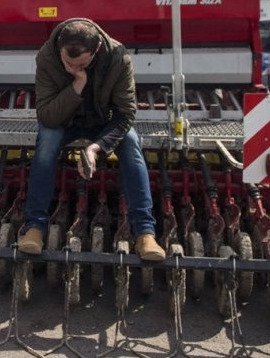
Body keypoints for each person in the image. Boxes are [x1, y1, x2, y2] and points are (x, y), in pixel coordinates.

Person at [18, 18, 166, 261]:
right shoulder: (47, 58)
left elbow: (125, 114)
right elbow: (47, 115)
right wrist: (77, 84)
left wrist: (95, 148)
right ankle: (35, 227)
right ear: (60, 49)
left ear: (96, 50)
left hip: (103, 122)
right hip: (63, 122)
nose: (73, 66)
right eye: (68, 62)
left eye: (82, 64)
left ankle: (145, 233)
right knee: (46, 143)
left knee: (130, 144)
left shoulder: (118, 58)